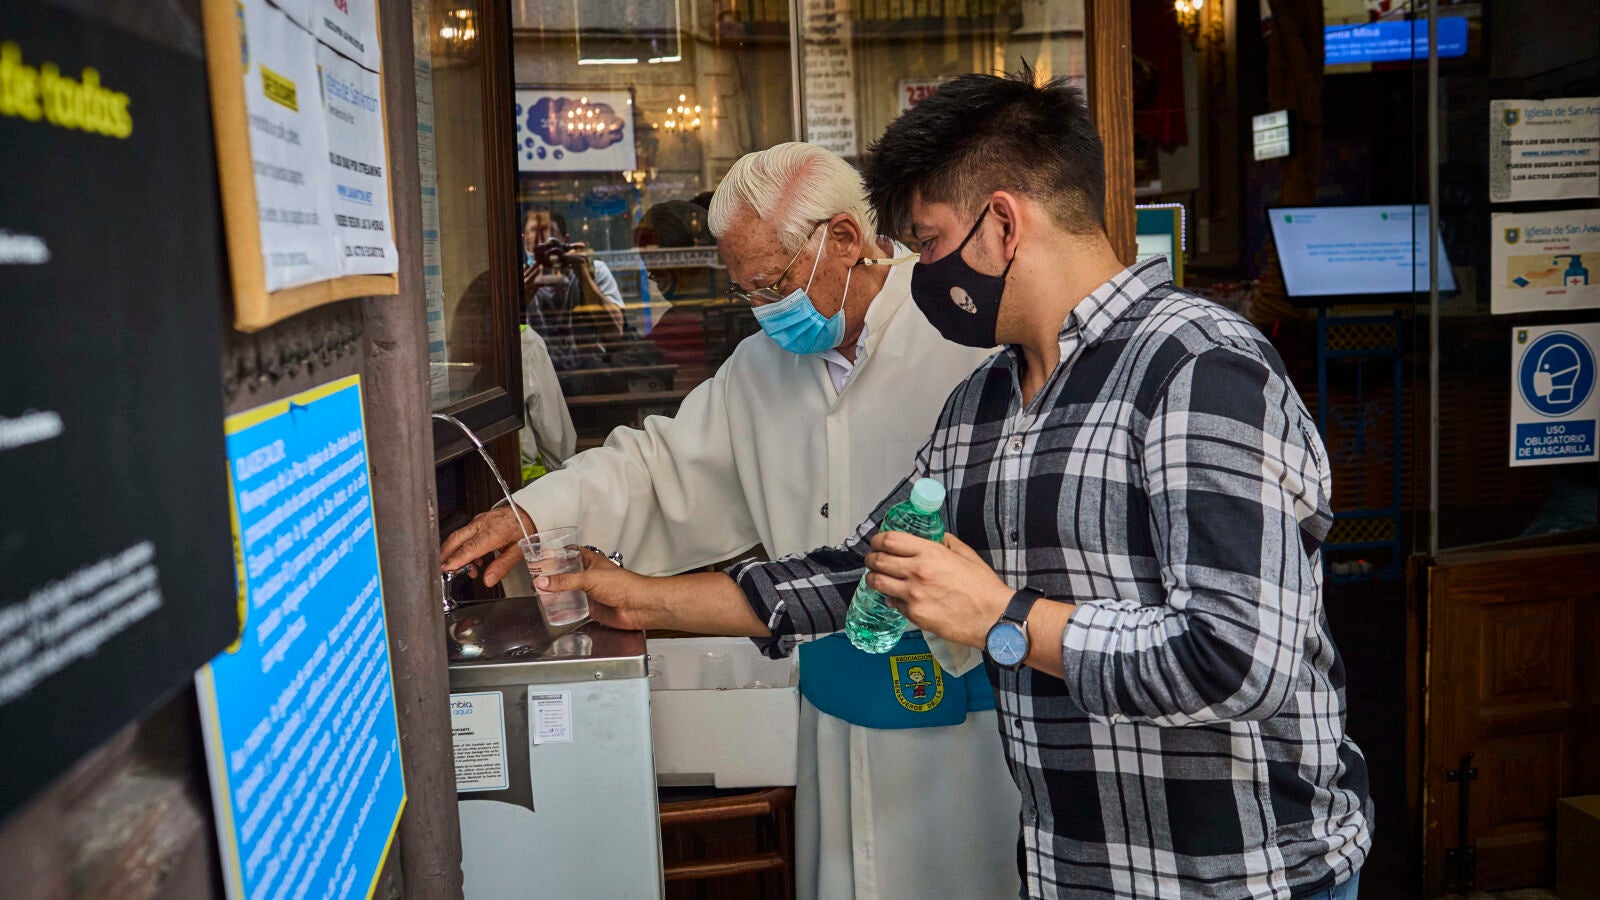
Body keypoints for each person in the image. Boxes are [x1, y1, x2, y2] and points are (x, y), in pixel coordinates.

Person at [537, 70, 1372, 899]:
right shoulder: (988, 401)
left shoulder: (1198, 367)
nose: (921, 271)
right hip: (1078, 869)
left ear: (1003, 223)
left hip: (1241, 876)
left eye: (930, 243)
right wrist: (641, 599)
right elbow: (869, 569)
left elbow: (1238, 659)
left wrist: (1003, 620)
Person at [440, 143, 1020, 898]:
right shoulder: (760, 368)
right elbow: (657, 466)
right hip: (832, 702)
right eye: (746, 292)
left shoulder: (963, 333)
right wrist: (532, 510)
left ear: (845, 239)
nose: (765, 309)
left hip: (964, 716)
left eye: (773, 283)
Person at [522, 209, 626, 364]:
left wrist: (584, 276)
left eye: (549, 236)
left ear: (565, 241)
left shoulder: (594, 270)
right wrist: (521, 300)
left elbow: (614, 333)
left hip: (590, 371)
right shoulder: (518, 278)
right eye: (536, 233)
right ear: (524, 240)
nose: (542, 241)